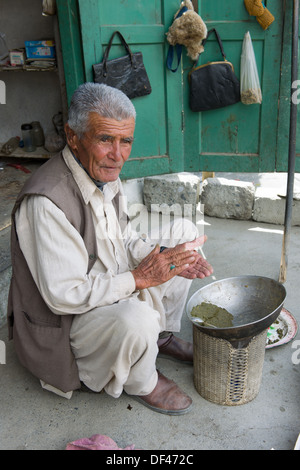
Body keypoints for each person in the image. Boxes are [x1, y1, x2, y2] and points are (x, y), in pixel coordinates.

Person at [7, 83, 213, 415]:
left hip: (108, 285)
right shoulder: (46, 202)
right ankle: (142, 379)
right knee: (137, 317)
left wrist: (163, 256)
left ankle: (157, 338)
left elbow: (124, 237)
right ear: (73, 137)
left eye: (125, 141)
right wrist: (138, 279)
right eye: (105, 139)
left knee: (184, 237)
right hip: (68, 323)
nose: (117, 155)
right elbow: (63, 296)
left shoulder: (104, 173)